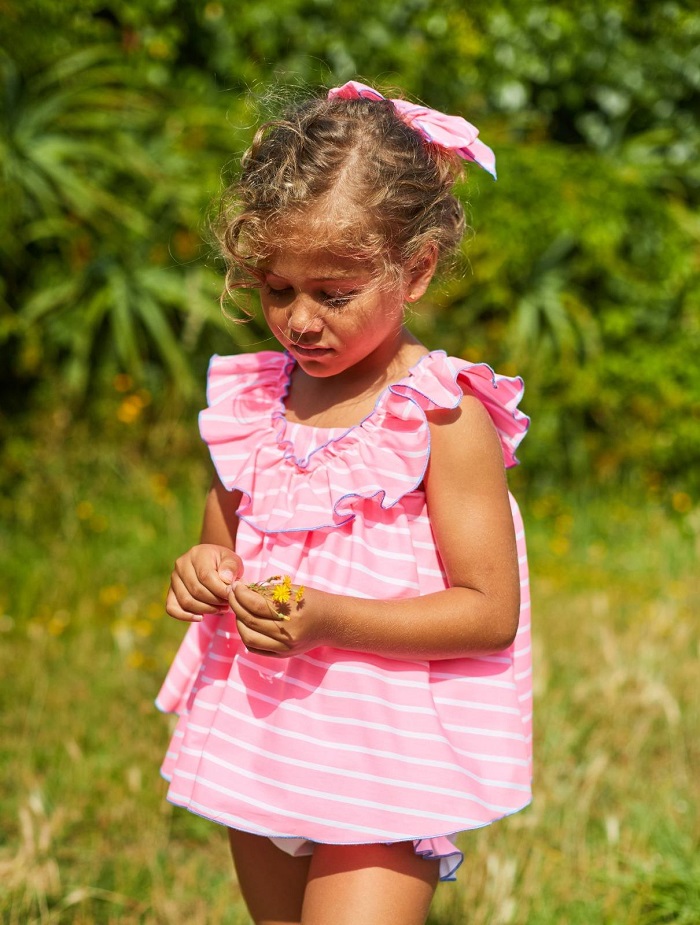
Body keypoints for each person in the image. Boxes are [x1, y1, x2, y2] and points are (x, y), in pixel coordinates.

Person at [157, 80, 532, 925]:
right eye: (275, 288)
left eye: (334, 294)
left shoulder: (441, 414)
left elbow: (487, 611)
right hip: (266, 739)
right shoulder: (255, 403)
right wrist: (202, 572)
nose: (298, 320)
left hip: (385, 757)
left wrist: (329, 617)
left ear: (417, 271)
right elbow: (223, 551)